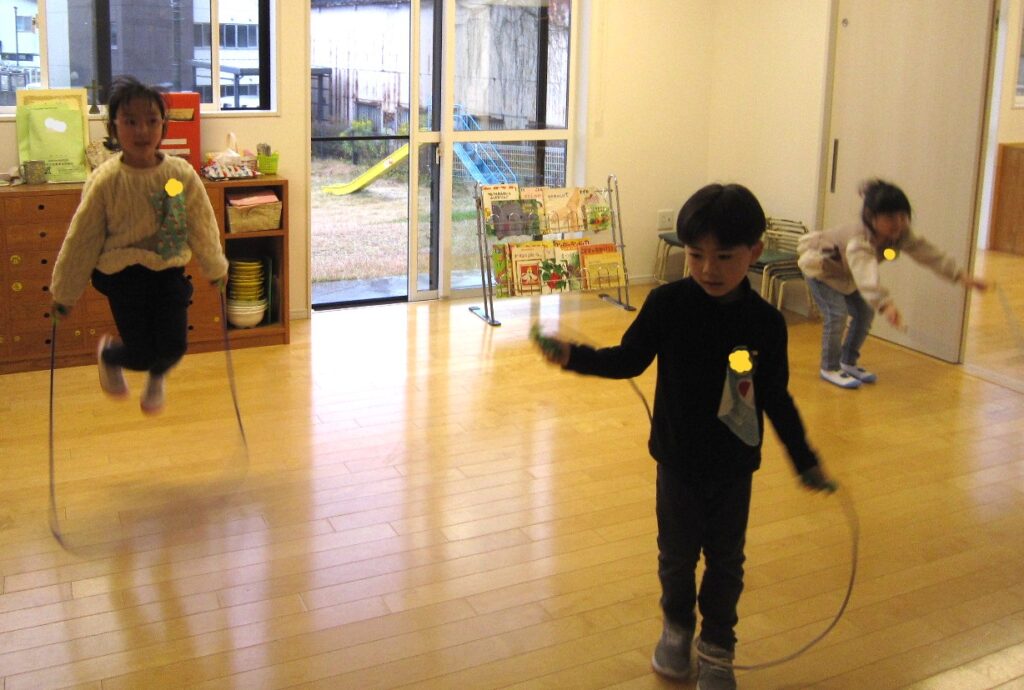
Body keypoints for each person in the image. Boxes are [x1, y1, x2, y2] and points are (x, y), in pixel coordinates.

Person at [534, 183, 833, 690]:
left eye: (725, 256)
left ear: (754, 252)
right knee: (676, 557)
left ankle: (717, 647)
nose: (709, 269)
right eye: (696, 255)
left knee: (726, 561)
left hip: (735, 465)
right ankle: (676, 629)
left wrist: (804, 459)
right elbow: (629, 360)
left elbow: (775, 398)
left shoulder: (765, 323)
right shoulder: (668, 303)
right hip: (677, 460)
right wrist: (574, 357)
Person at [51, 75, 228, 415]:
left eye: (151, 121)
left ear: (163, 126)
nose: (142, 130)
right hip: (123, 276)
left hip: (168, 270)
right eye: (130, 121)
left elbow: (202, 225)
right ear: (114, 127)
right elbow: (82, 240)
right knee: (142, 352)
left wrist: (215, 267)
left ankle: (157, 376)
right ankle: (111, 356)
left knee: (174, 346)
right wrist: (64, 293)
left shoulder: (180, 174)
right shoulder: (106, 181)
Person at [798, 179, 987, 389]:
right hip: (822, 271)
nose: (898, 222)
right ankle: (830, 367)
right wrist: (885, 304)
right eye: (890, 217)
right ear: (871, 216)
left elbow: (929, 254)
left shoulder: (900, 235)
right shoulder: (859, 240)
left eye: (902, 216)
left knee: (865, 313)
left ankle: (848, 361)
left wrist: (960, 276)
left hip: (848, 275)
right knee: (837, 315)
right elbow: (865, 274)